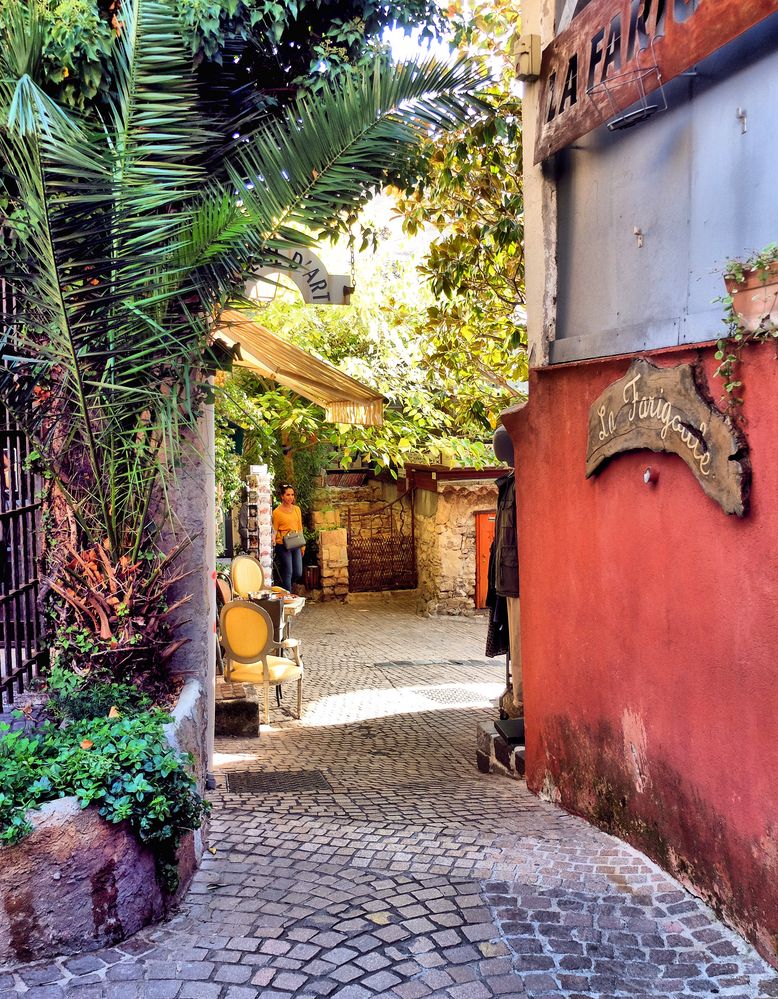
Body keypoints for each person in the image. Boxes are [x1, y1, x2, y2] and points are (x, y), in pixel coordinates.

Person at [272, 483, 304, 591]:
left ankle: (284, 587)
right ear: (282, 496)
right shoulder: (276, 512)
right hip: (283, 543)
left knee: (298, 572)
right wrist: (273, 541)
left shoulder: (296, 509)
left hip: (296, 542)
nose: (291, 497)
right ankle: (287, 595)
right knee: (288, 571)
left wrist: (302, 546)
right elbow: (275, 529)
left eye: (292, 495)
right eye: (288, 495)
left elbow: (299, 527)